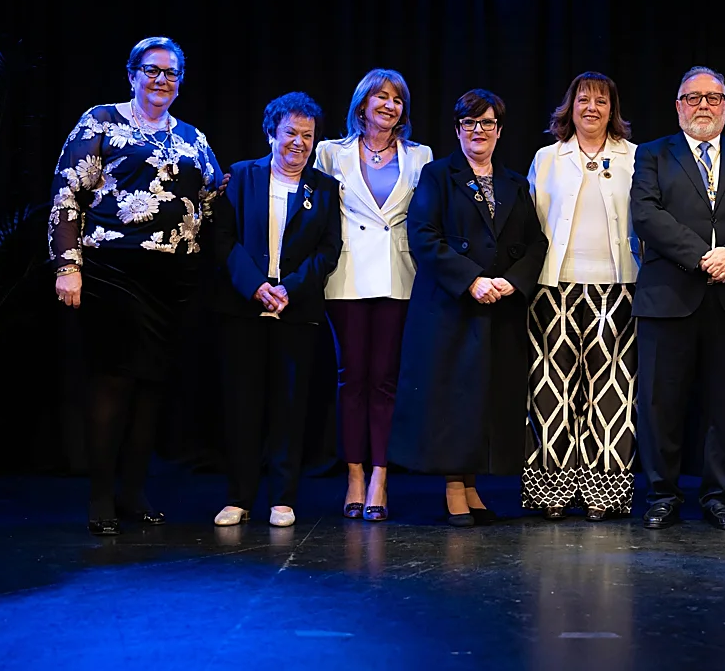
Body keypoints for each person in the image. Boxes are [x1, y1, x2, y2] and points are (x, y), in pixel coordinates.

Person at [49, 36, 224, 536]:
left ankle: (132, 491)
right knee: (113, 380)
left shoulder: (193, 136)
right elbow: (67, 194)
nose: (162, 80)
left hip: (176, 277)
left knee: (152, 385)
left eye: (171, 73)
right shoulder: (100, 121)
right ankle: (101, 494)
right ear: (132, 73)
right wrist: (67, 265)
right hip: (113, 271)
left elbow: (210, 197)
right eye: (152, 71)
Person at [388, 89, 548, 526]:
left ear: (500, 130)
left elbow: (536, 243)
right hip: (451, 307)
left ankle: (472, 484)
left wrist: (511, 283)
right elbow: (423, 236)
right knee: (454, 400)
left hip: (499, 307)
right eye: (469, 123)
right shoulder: (437, 176)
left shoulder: (515, 183)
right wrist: (471, 280)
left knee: (486, 400)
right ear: (457, 129)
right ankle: (454, 488)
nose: (479, 131)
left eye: (487, 123)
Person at [630, 66, 725, 530]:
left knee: (722, 406)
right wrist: (702, 257)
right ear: (678, 105)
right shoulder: (653, 154)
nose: (702, 106)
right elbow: (647, 215)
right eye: (692, 97)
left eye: (713, 98)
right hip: (668, 294)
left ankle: (718, 495)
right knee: (660, 403)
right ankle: (661, 495)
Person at [212, 92, 341, 528]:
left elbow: (328, 249)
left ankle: (282, 498)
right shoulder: (241, 177)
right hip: (243, 310)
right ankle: (239, 497)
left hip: (297, 311)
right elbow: (223, 240)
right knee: (242, 405)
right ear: (271, 133)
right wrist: (255, 287)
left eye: (307, 135)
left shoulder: (324, 188)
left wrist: (290, 288)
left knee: (290, 407)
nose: (299, 143)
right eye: (290, 133)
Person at [314, 69, 433, 521]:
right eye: (380, 97)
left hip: (398, 276)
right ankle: (355, 475)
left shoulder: (419, 155)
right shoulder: (330, 153)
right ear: (361, 104)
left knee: (385, 380)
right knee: (351, 378)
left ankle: (381, 476)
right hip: (345, 276)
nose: (389, 105)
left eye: (397, 99)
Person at [524, 71, 641, 522]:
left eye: (602, 101)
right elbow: (532, 223)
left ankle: (604, 495)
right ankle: (551, 492)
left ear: (613, 110)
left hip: (617, 288)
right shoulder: (548, 158)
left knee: (611, 391)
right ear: (569, 106)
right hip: (554, 288)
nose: (592, 108)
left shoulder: (633, 157)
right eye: (584, 99)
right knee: (551, 390)